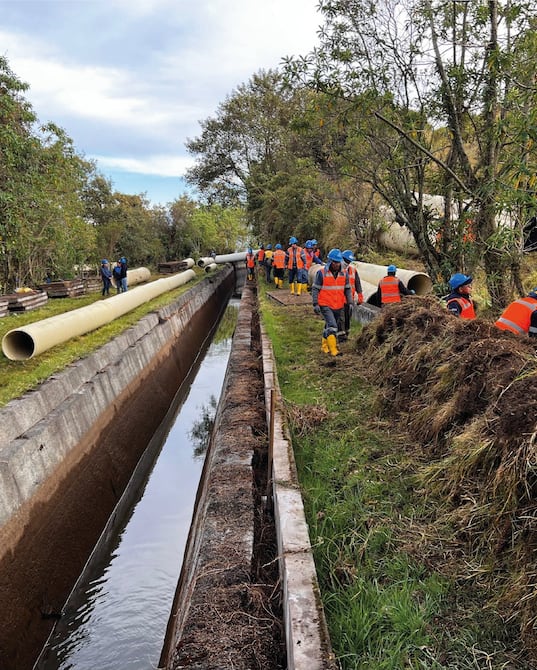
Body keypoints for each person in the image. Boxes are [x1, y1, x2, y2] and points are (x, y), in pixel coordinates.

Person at [312, 248, 352, 358]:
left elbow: (347, 289)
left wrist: (350, 302)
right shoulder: (321, 273)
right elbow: (315, 289)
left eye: (338, 262)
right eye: (334, 262)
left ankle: (324, 346)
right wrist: (315, 304)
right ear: (330, 261)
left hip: (338, 305)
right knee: (333, 327)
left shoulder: (344, 274)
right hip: (325, 304)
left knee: (328, 326)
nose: (336, 264)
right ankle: (333, 350)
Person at [338, 250, 364, 340]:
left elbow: (357, 284)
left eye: (349, 261)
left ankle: (346, 334)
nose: (347, 263)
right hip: (339, 299)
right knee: (341, 319)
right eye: (345, 261)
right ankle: (341, 336)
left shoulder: (353, 270)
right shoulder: (337, 270)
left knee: (347, 318)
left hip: (349, 300)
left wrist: (360, 295)